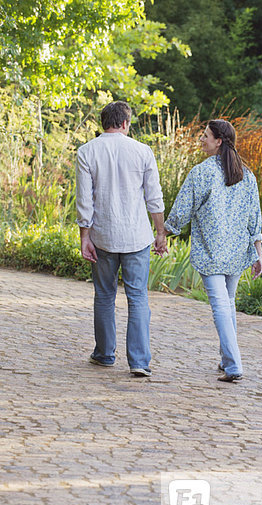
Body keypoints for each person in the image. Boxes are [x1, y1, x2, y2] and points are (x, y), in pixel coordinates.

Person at [164, 118, 262, 383]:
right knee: (229, 304)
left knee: (221, 307)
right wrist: (258, 253)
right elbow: (254, 219)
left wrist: (161, 233)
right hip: (236, 252)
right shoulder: (247, 174)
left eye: (205, 136)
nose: (201, 140)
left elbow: (181, 212)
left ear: (218, 141)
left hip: (212, 253)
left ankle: (234, 366)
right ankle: (226, 360)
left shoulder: (201, 173)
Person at [76, 101, 167, 377]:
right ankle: (139, 362)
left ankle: (104, 354)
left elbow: (84, 201)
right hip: (136, 236)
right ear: (126, 123)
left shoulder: (86, 152)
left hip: (103, 235)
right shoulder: (142, 151)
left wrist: (84, 237)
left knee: (104, 296)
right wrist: (160, 233)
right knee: (138, 297)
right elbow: (154, 198)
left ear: (103, 123)